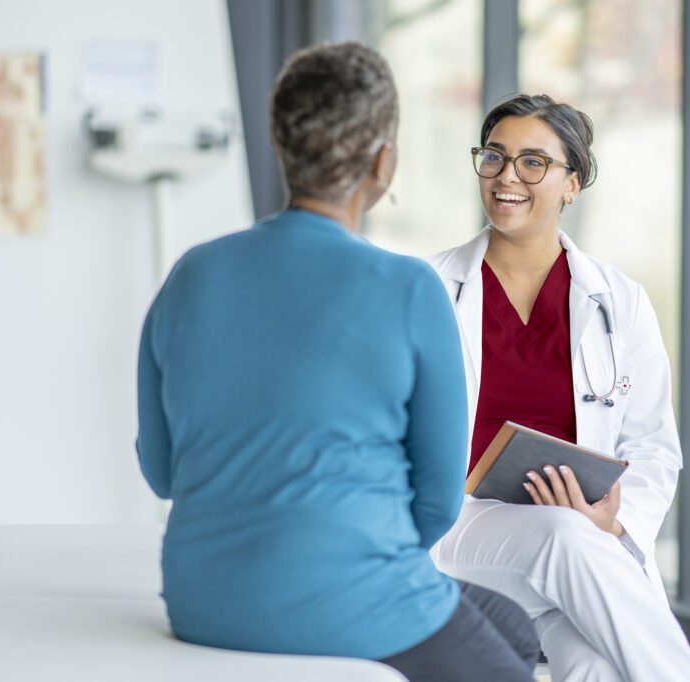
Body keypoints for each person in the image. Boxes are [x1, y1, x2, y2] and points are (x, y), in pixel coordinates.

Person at [135, 43, 538, 682]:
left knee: (514, 625)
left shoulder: (191, 274)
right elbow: (437, 503)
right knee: (514, 660)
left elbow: (161, 473)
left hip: (203, 603)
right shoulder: (408, 289)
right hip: (356, 605)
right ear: (384, 162)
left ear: (281, 145)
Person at [428, 94, 690, 682]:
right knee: (564, 533)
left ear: (571, 184)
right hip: (463, 526)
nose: (508, 176)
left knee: (597, 668)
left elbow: (654, 445)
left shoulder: (619, 300)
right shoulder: (428, 288)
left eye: (533, 162)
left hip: (579, 548)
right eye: (495, 157)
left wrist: (615, 520)